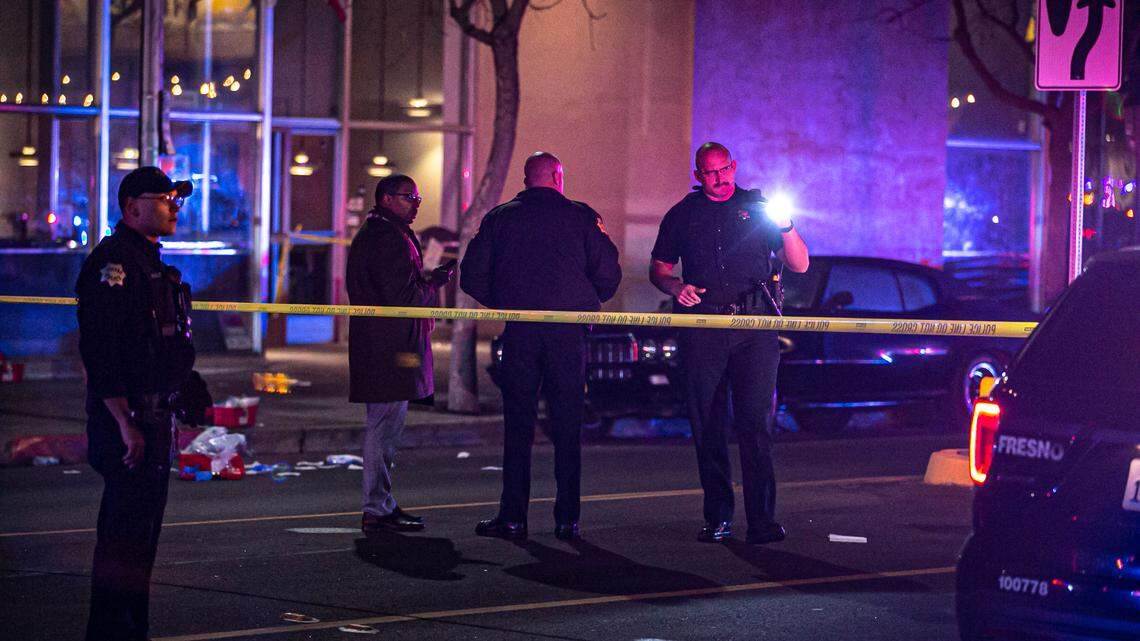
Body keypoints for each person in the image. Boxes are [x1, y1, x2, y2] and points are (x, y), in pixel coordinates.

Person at [649, 142, 809, 545]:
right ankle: (718, 517)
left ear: (734, 167)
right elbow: (660, 269)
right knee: (708, 425)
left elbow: (800, 263)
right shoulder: (682, 215)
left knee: (756, 425)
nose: (718, 179)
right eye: (709, 172)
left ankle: (762, 521)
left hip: (755, 328)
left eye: (724, 170)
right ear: (697, 174)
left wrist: (787, 225)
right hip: (704, 327)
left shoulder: (759, 208)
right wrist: (676, 286)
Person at [461, 151, 621, 541]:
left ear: (526, 179)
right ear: (557, 176)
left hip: (522, 331)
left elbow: (471, 276)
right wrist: (585, 300)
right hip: (568, 333)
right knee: (567, 425)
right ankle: (568, 519)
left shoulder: (500, 218)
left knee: (519, 425)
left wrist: (505, 302)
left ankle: (512, 517)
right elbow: (608, 275)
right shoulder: (583, 216)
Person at [77, 166, 196, 641]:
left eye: (176, 198)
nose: (173, 205)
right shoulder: (114, 264)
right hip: (128, 422)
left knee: (142, 540)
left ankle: (130, 630)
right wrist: (124, 421)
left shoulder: (152, 263)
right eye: (164, 197)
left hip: (154, 415)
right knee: (123, 540)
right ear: (132, 207)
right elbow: (101, 348)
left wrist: (185, 384)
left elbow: (158, 343)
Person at [347, 174, 454, 535]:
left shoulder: (383, 233)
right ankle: (377, 508)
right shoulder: (386, 238)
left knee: (387, 428)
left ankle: (382, 505)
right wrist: (435, 283)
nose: (416, 203)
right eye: (409, 196)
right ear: (387, 198)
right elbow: (403, 298)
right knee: (384, 428)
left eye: (418, 196)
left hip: (386, 346)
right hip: (388, 348)